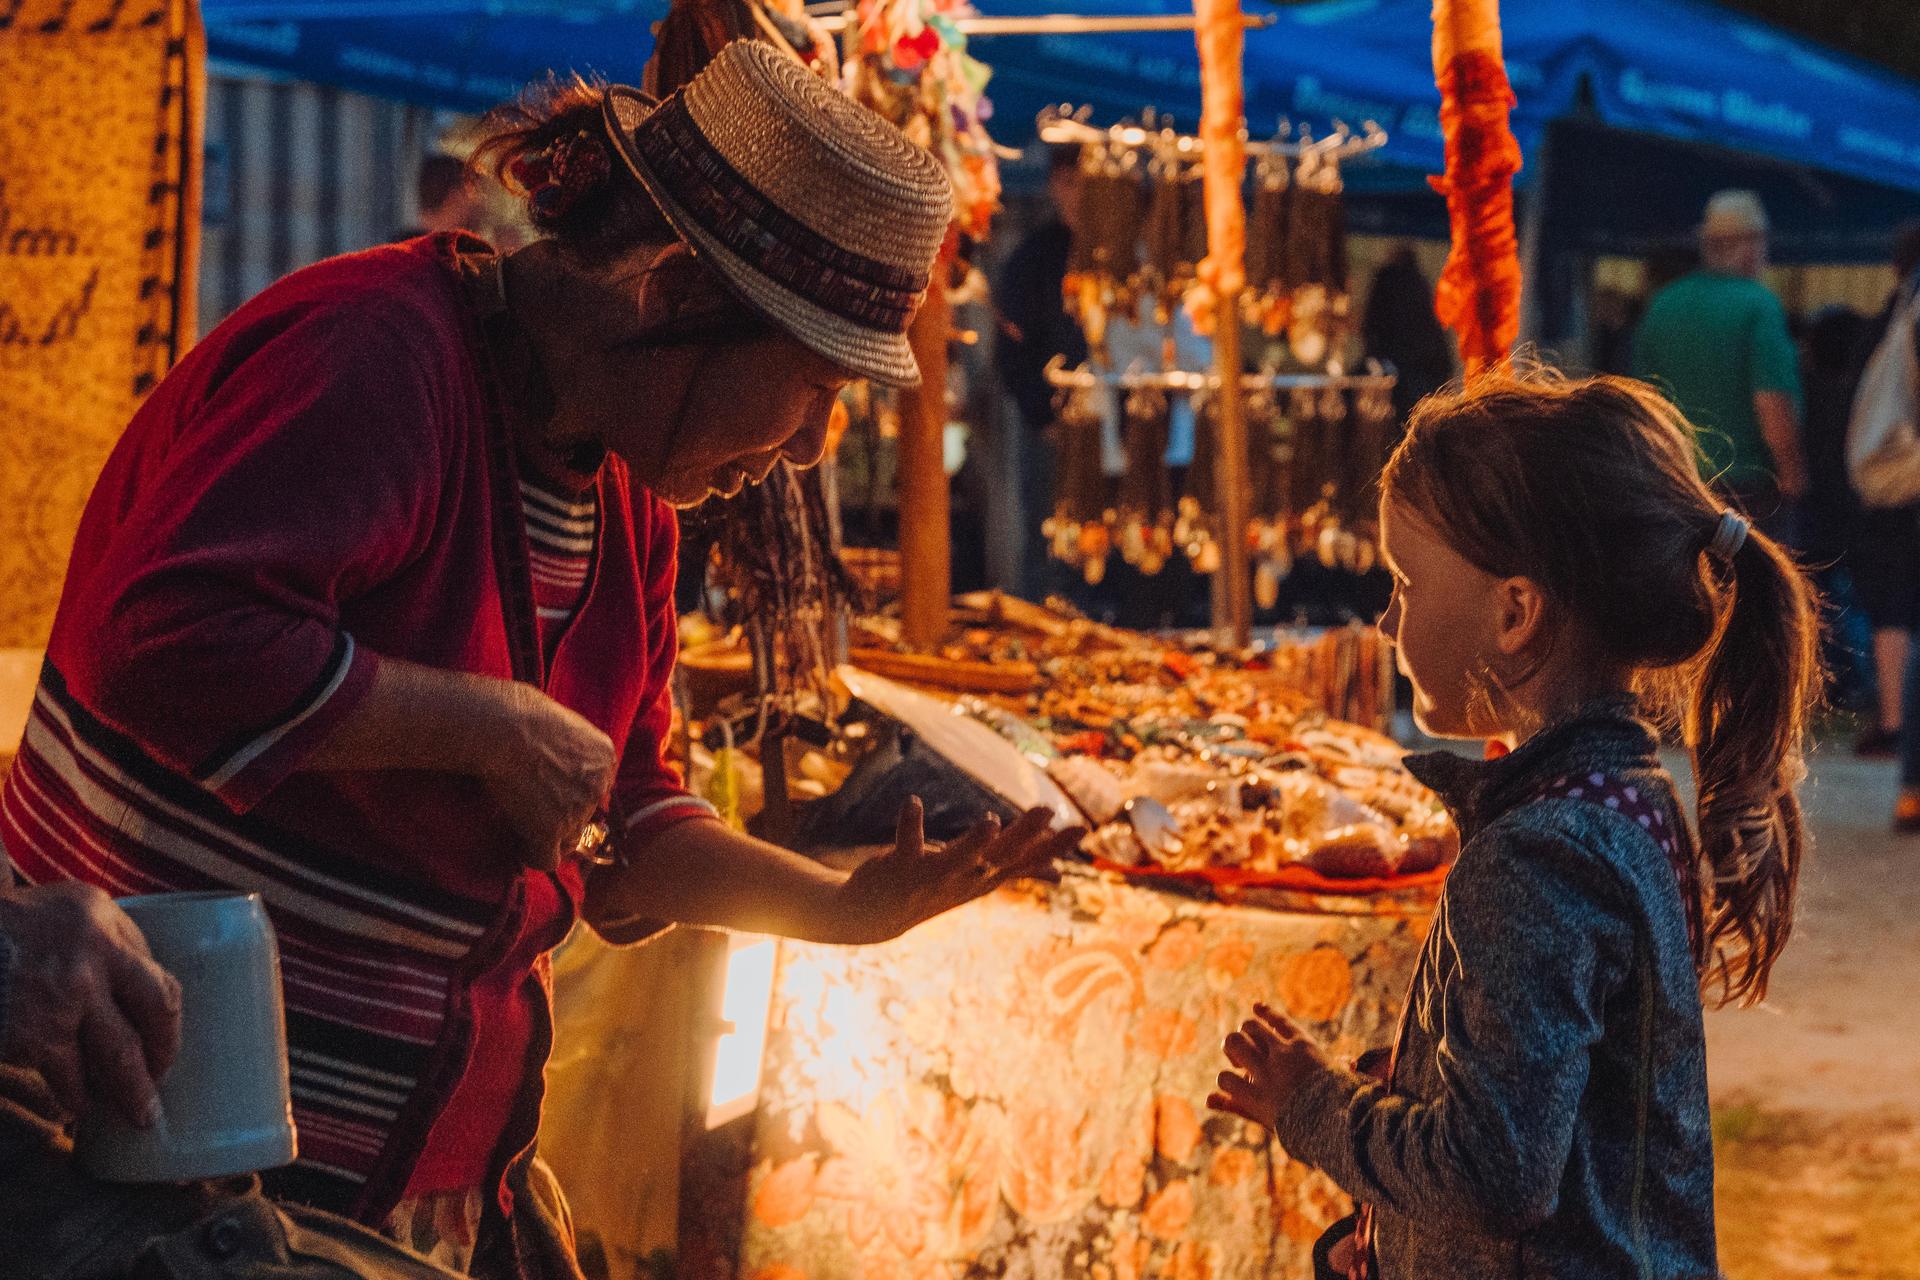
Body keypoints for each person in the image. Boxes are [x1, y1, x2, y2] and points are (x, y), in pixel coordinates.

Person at [0, 41, 1082, 1279]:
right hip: (162, 1174)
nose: (806, 450)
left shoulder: (628, 508)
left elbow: (634, 816)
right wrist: (488, 726)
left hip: (408, 1183)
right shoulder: (373, 355)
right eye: (814, 387)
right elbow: (164, 637)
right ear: (672, 294)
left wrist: (841, 909)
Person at [1208, 371, 1819, 1279]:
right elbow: (1557, 1129)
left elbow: (1494, 1172)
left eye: (1409, 584)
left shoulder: (1540, 857)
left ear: (1515, 613)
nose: (1385, 618)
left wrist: (1313, 1106)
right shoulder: (1624, 796)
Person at [1634, 190, 1810, 544]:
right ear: (1747, 246)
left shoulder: (1662, 306)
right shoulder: (1758, 305)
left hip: (1677, 481)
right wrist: (1793, 473)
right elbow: (1771, 401)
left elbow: (1642, 401)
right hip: (1750, 488)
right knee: (1757, 591)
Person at [992, 146, 1089, 599]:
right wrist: (1042, 415)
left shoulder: (1123, 254)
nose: (1079, 195)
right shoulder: (1033, 258)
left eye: (1087, 183)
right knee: (1049, 540)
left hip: (1116, 430)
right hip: (1053, 429)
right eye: (1071, 183)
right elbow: (1010, 352)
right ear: (1055, 184)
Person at [1845, 224, 1920, 763]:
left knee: (1893, 602)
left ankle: (1894, 724)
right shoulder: (1907, 320)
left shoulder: (1883, 322)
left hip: (1890, 484)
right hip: (1910, 479)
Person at [398, 153, 490, 240]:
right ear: (455, 197)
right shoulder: (448, 253)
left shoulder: (395, 250)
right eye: (475, 192)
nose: (479, 202)